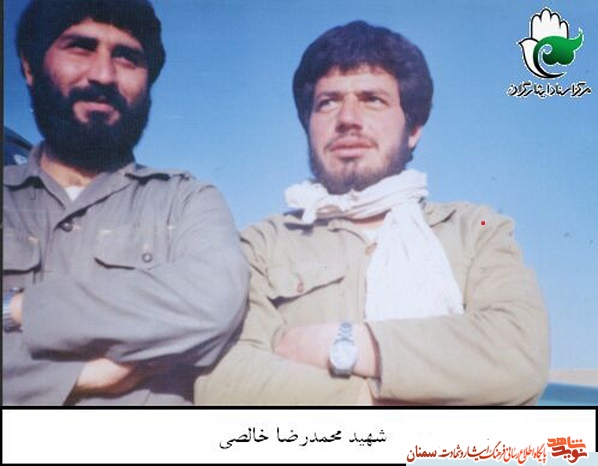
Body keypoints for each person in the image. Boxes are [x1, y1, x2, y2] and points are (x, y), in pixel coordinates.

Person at [193, 20, 549, 405]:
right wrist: (381, 399)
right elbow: (223, 381)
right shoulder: (260, 247)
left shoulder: (475, 231)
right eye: (328, 102)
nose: (348, 118)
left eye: (372, 99)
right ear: (308, 126)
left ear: (413, 129)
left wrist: (347, 344)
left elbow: (519, 353)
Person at [3, 0, 249, 406]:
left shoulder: (186, 201)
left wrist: (19, 309)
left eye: (127, 57)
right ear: (30, 67)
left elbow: (214, 304)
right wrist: (80, 377)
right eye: (80, 47)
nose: (103, 74)